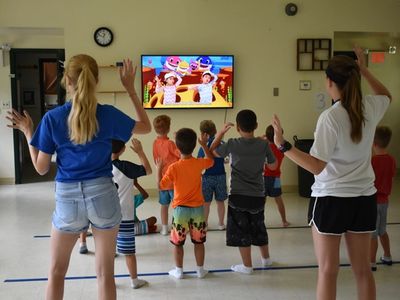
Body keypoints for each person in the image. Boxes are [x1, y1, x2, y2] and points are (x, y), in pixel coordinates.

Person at [7, 55, 151, 300]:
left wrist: (29, 132)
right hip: (104, 194)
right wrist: (130, 88)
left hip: (67, 198)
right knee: (106, 274)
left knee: (56, 272)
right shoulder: (108, 114)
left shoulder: (53, 118)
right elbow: (145, 127)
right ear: (96, 81)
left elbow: (41, 168)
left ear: (67, 80)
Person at [271, 46, 392, 300]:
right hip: (363, 199)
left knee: (328, 271)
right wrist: (364, 69)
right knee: (363, 271)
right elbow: (385, 95)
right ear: (356, 78)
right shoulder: (370, 107)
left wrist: (283, 144)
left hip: (331, 200)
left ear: (329, 82)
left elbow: (317, 166)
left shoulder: (331, 117)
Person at [210, 110, 277, 274]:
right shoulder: (264, 144)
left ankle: (247, 266)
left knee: (241, 231)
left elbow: (213, 150)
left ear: (238, 127)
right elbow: (273, 166)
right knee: (258, 226)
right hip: (258, 195)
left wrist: (220, 132)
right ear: (256, 126)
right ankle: (266, 259)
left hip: (238, 196)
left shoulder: (232, 143)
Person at [157, 128, 214, 279]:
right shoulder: (198, 163)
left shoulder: (173, 167)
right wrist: (204, 145)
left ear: (177, 147)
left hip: (180, 211)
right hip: (198, 210)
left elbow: (161, 186)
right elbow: (211, 160)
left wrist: (158, 170)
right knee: (199, 242)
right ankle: (200, 270)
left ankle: (179, 271)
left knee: (178, 244)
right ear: (195, 145)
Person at [112, 138, 152, 289]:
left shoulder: (99, 167)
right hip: (125, 216)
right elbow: (148, 170)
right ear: (122, 149)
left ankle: (109, 281)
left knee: (108, 252)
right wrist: (140, 152)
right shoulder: (126, 167)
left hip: (106, 217)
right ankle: (134, 280)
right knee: (128, 252)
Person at [370, 126, 396, 271]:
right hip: (384, 202)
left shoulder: (373, 161)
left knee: (372, 234)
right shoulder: (391, 160)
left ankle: (371, 262)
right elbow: (391, 176)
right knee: (382, 231)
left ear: (373, 143)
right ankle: (387, 255)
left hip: (373, 202)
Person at [152, 115, 180, 235]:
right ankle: (175, 227)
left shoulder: (155, 143)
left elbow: (155, 159)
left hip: (162, 179)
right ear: (168, 128)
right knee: (176, 206)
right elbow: (180, 154)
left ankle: (164, 228)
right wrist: (177, 140)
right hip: (173, 180)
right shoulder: (171, 143)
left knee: (164, 205)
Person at [197, 120, 227, 229]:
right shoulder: (222, 143)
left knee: (206, 203)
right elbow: (224, 157)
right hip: (220, 176)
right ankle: (221, 223)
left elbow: (200, 162)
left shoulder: (202, 147)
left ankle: (204, 224)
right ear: (215, 131)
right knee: (220, 202)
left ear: (203, 133)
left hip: (206, 177)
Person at [264, 125, 290, 227]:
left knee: (262, 201)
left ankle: (259, 222)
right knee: (279, 199)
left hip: (263, 177)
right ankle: (284, 221)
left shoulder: (264, 147)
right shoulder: (281, 149)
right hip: (276, 178)